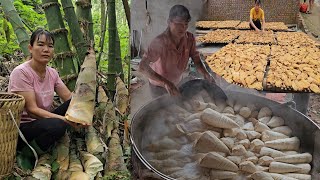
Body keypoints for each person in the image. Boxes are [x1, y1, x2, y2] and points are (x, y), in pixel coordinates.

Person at [8, 28, 76, 169]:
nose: (46, 49)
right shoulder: (21, 72)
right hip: (23, 128)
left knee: (75, 103)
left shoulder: (52, 73)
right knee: (58, 125)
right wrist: (64, 119)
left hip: (43, 121)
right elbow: (32, 110)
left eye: (50, 46)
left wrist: (81, 111)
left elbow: (69, 98)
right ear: (30, 48)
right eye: (41, 44)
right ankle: (27, 153)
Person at [139, 5, 214, 97]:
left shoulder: (189, 39)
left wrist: (206, 73)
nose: (183, 28)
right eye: (178, 24)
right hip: (159, 86)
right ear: (169, 22)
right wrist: (166, 83)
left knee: (177, 107)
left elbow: (197, 60)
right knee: (162, 109)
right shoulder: (160, 42)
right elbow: (142, 67)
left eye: (185, 24)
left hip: (177, 82)